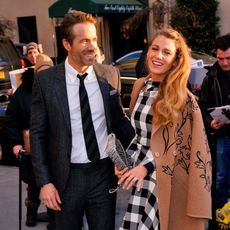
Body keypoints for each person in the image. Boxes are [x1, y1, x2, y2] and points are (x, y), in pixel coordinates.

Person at [30, 10, 135, 230]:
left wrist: (143, 146)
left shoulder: (109, 75)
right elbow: (38, 134)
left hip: (103, 175)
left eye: (94, 39)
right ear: (67, 44)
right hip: (65, 179)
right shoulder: (46, 81)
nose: (92, 46)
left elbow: (120, 123)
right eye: (84, 40)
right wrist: (45, 182)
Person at [117, 28, 212, 230]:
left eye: (166, 52)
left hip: (167, 181)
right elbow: (139, 135)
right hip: (142, 179)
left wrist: (146, 167)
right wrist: (125, 160)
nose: (158, 56)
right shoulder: (141, 86)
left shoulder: (182, 98)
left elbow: (179, 145)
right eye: (155, 48)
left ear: (176, 61)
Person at [6, 54, 54, 228]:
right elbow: (12, 119)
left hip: (55, 145)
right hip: (31, 144)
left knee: (54, 181)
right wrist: (16, 142)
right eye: (42, 71)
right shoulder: (24, 91)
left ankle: (53, 216)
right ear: (35, 72)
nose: (45, 75)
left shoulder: (59, 87)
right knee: (34, 182)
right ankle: (31, 213)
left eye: (49, 71)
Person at [199, 33, 230, 228]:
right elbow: (201, 107)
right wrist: (210, 121)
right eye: (220, 58)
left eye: (228, 58)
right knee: (220, 181)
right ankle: (221, 223)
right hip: (222, 137)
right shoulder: (210, 77)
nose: (225, 62)